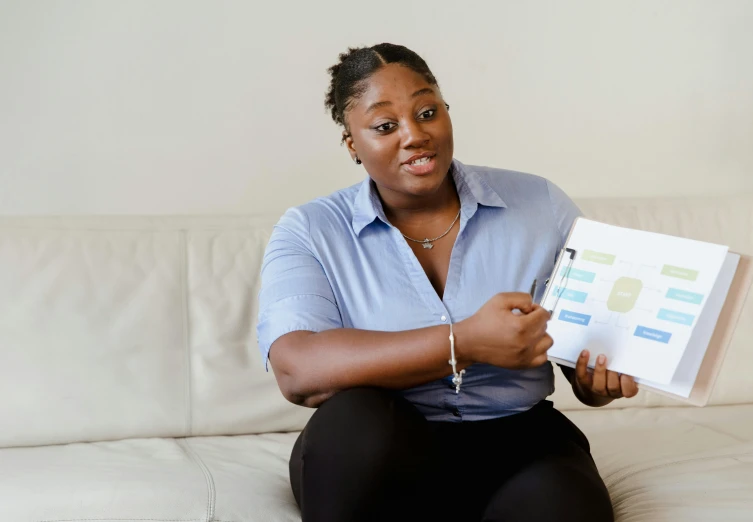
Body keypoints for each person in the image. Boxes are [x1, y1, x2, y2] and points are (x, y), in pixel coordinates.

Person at [257, 43, 638, 522]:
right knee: (356, 423)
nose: (415, 135)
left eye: (427, 111)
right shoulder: (311, 229)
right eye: (385, 126)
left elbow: (580, 361)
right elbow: (297, 370)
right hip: (378, 444)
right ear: (352, 143)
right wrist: (465, 342)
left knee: (565, 507)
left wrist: (597, 381)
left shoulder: (539, 203)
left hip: (520, 439)